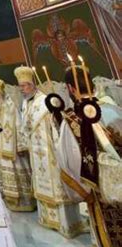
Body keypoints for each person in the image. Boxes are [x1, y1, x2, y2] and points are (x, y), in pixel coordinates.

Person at [55, 66, 122, 247]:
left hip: (102, 200)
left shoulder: (71, 121)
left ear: (70, 89)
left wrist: (84, 196)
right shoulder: (113, 109)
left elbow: (68, 167)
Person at [15, 65, 85, 238]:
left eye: (24, 86)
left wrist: (57, 146)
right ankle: (47, 219)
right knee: (41, 181)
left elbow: (56, 126)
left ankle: (65, 224)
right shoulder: (25, 103)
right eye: (20, 87)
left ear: (32, 84)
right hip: (36, 151)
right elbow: (26, 126)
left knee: (57, 183)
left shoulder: (45, 101)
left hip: (50, 150)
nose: (22, 90)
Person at [0, 76, 35, 212]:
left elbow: (19, 125)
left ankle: (24, 201)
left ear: (2, 93)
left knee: (17, 172)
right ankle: (8, 199)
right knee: (4, 173)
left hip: (13, 148)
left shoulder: (11, 106)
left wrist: (21, 145)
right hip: (1, 146)